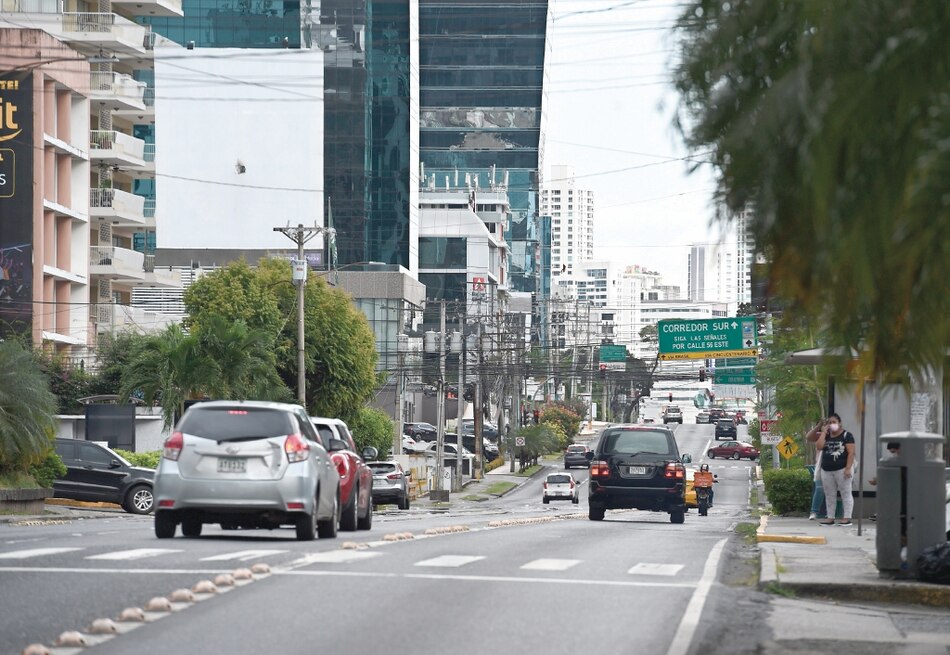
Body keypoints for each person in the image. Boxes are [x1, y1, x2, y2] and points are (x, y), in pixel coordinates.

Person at [806, 413, 855, 526]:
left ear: (839, 423)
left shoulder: (847, 435)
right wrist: (823, 431)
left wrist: (848, 468)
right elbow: (818, 446)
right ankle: (830, 517)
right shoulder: (826, 436)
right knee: (829, 494)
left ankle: (847, 518)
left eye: (834, 422)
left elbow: (851, 452)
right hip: (826, 469)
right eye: (829, 422)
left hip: (842, 469)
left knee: (846, 493)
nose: (831, 424)